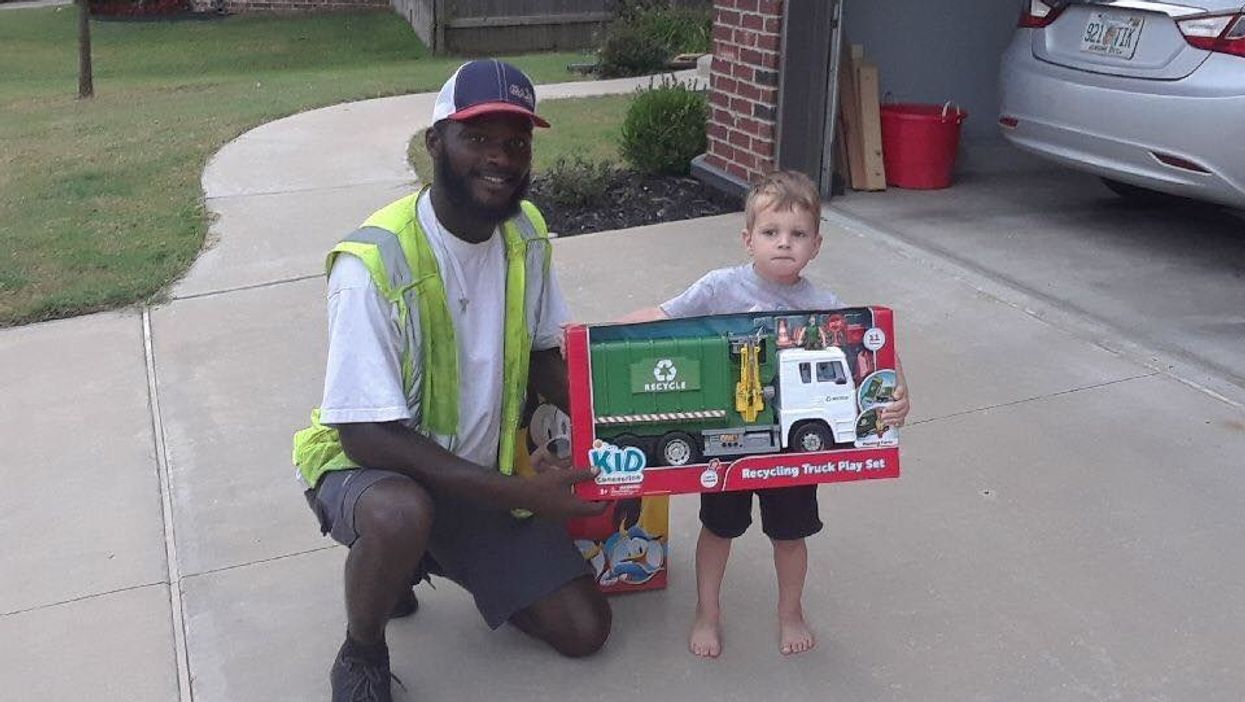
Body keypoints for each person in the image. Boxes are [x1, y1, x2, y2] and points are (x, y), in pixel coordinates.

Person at [291, 59, 610, 702]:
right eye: (479, 138)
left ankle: (425, 553)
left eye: (516, 142)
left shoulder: (526, 233)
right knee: (401, 512)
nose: (502, 158)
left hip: (474, 470)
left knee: (585, 630)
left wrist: (623, 436)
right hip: (374, 468)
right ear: (436, 143)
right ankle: (363, 649)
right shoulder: (375, 261)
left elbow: (550, 356)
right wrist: (517, 492)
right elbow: (364, 434)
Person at [620, 170, 911, 658]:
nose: (783, 244)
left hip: (792, 453)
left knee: (791, 535)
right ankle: (707, 612)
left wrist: (897, 391)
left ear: (816, 245)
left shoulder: (822, 306)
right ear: (747, 238)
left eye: (797, 235)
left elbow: (876, 341)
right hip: (728, 439)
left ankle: (790, 611)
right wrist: (592, 336)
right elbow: (663, 316)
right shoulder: (718, 288)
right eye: (771, 233)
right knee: (719, 529)